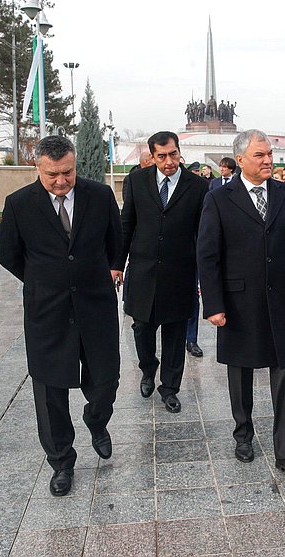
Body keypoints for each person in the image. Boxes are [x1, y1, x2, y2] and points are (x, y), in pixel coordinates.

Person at [0, 135, 122, 496]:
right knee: (50, 390)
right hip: (47, 311)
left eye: (67, 172)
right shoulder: (19, 204)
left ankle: (96, 420)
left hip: (96, 306)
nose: (61, 181)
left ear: (75, 164)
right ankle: (61, 461)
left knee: (105, 381)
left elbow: (115, 242)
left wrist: (107, 269)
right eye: (52, 174)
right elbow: (8, 253)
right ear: (38, 167)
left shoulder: (100, 196)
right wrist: (42, 280)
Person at [197, 129, 285, 477]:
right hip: (238, 301)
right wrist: (213, 304)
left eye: (269, 154)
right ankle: (243, 434)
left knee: (284, 374)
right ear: (241, 159)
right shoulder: (219, 198)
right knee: (240, 371)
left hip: (281, 298)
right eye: (259, 155)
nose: (268, 160)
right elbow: (208, 255)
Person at [112, 131, 209, 413]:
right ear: (152, 157)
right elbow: (127, 223)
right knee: (141, 327)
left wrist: (205, 274)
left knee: (175, 333)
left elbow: (203, 233)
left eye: (173, 154)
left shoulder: (197, 186)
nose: (169, 162)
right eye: (162, 156)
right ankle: (148, 368)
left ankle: (170, 388)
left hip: (180, 271)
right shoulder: (137, 181)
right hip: (143, 270)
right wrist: (117, 264)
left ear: (179, 152)